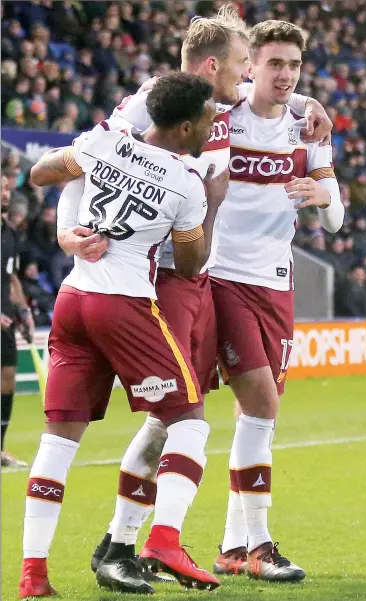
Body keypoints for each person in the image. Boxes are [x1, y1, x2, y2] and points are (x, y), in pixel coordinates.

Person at [29, 6, 333, 588]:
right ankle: (134, 544)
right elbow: (82, 160)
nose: (250, 76)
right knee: (174, 417)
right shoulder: (151, 103)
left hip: (202, 281)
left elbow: (272, 89)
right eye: (243, 64)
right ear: (215, 65)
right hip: (162, 280)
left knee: (197, 414)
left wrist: (306, 104)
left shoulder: (223, 100)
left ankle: (171, 545)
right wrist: (66, 232)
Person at [19, 72, 229, 598]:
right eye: (208, 117)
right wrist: (205, 209)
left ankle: (34, 575)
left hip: (72, 301)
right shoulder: (186, 182)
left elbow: (41, 172)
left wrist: (73, 230)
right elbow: (187, 264)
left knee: (57, 442)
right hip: (125, 304)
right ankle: (162, 539)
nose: (213, 124)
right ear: (184, 126)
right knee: (189, 419)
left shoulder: (102, 141)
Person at [210, 20, 344, 581]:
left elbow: (336, 223)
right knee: (261, 408)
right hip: (222, 277)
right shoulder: (225, 111)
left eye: (294, 65)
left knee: (255, 418)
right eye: (274, 63)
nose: (285, 74)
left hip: (278, 284)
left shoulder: (307, 127)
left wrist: (323, 194)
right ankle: (261, 547)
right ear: (251, 66)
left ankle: (230, 548)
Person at [1, 175, 35, 468]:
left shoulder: (10, 234)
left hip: (6, 321)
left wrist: (23, 312)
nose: (5, 193)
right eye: (0, 188)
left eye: (6, 188)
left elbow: (12, 278)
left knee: (7, 380)